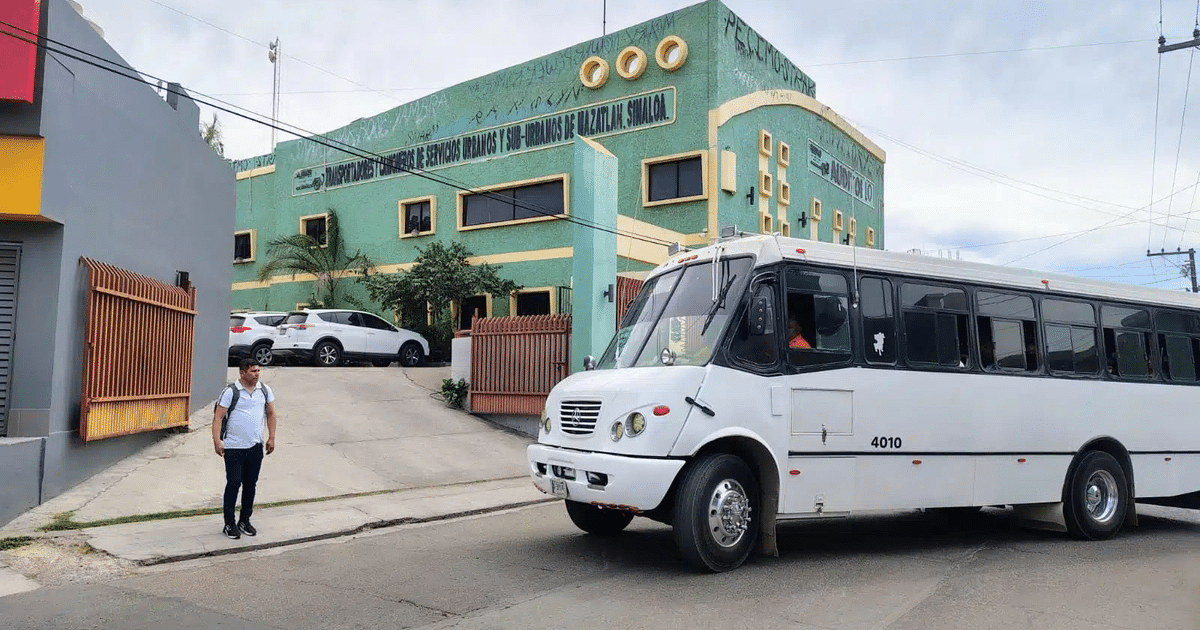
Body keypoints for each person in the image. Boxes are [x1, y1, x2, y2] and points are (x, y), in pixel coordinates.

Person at [212, 358, 277, 540]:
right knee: (233, 484)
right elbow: (218, 417)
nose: (257, 374)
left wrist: (271, 437)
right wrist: (217, 441)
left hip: (255, 446)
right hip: (233, 447)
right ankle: (229, 523)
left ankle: (245, 520)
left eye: (258, 371)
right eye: (253, 371)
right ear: (242, 373)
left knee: (250, 484)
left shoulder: (264, 390)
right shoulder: (231, 392)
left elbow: (271, 413)